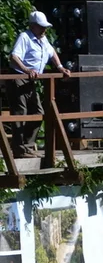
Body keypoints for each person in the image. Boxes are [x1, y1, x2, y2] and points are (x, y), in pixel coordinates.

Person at [7, 11, 70, 158]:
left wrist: (60, 67)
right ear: (33, 26)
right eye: (41, 27)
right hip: (18, 77)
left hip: (30, 80)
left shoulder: (43, 39)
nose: (44, 30)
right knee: (20, 113)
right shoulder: (25, 37)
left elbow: (51, 52)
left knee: (37, 112)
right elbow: (14, 56)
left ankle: (28, 146)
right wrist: (26, 70)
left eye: (45, 27)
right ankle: (19, 149)